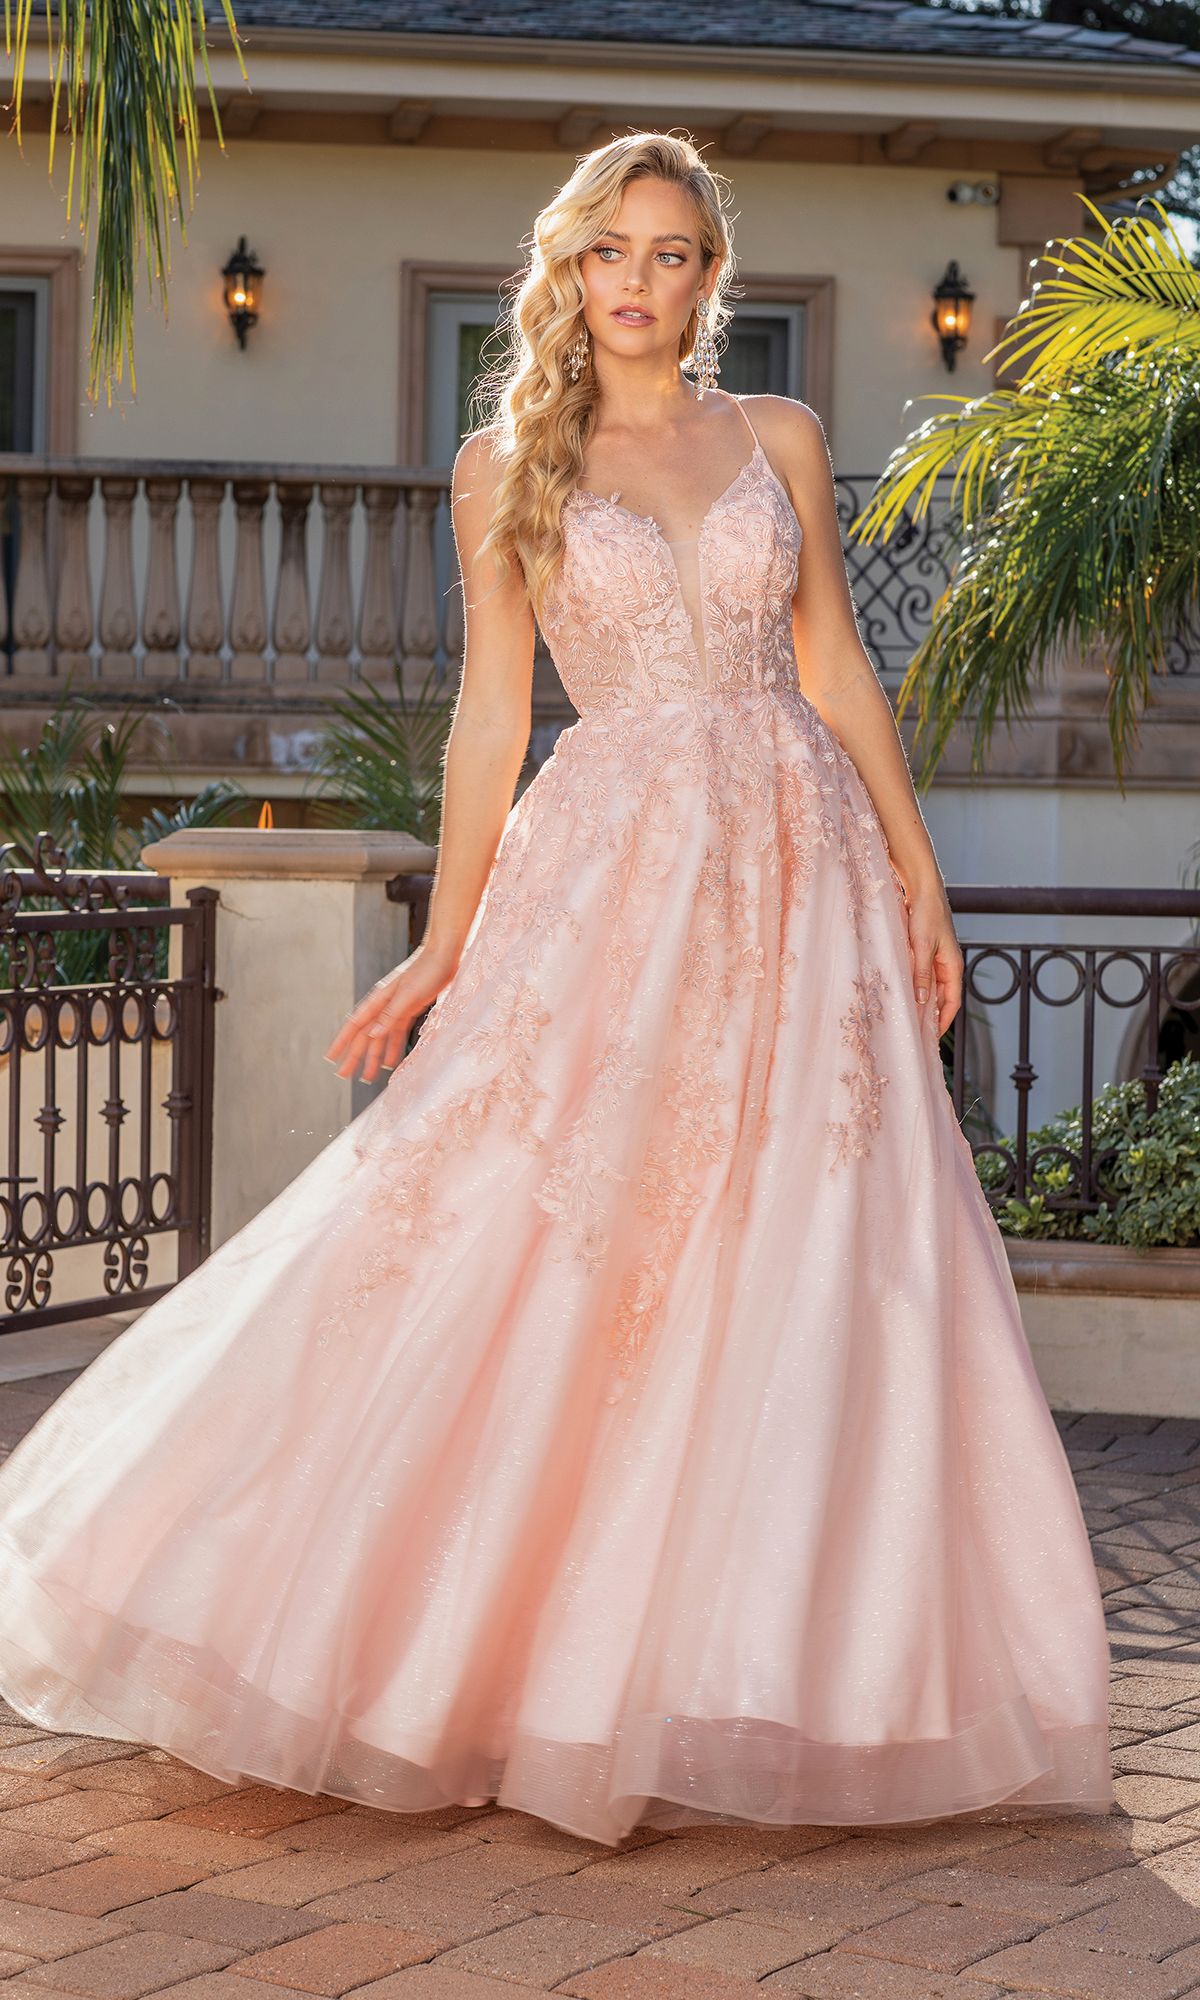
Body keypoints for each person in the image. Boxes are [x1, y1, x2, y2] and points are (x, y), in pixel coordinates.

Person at [0, 131, 1112, 1849]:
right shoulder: (506, 458)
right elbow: (491, 720)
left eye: (671, 253)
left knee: (801, 1234)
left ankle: (762, 1666)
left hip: (799, 867)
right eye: (612, 251)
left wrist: (918, 869)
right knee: (556, 1222)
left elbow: (833, 664)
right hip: (614, 872)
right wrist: (446, 943)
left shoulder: (779, 436)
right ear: (570, 269)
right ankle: (472, 1647)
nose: (639, 282)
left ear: (709, 276)